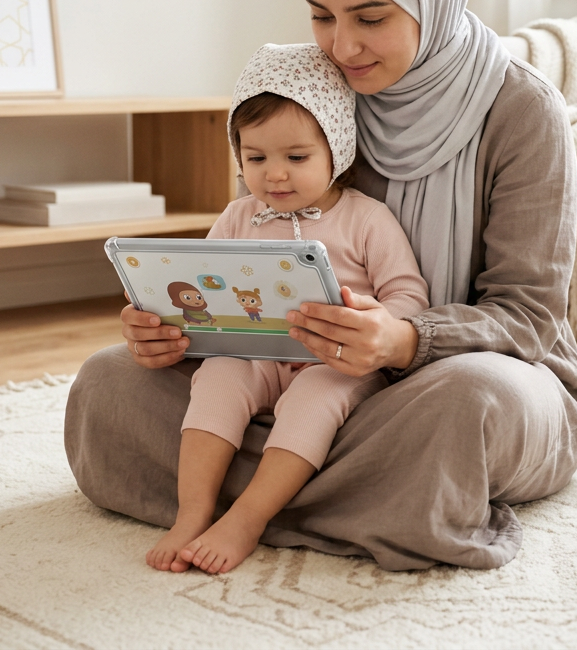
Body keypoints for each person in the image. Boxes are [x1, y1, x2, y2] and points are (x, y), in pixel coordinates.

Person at [65, 0, 577, 571]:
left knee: (468, 408)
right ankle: (371, 499)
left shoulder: (523, 112)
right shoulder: (320, 94)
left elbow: (528, 318)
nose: (343, 47)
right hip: (301, 374)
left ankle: (260, 497)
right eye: (322, 16)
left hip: (449, 379)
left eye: (371, 18)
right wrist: (175, 328)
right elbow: (255, 247)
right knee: (107, 384)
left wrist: (404, 340)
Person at [146, 43, 429, 574]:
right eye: (255, 159)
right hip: (256, 354)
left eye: (296, 158)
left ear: (336, 149)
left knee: (315, 398)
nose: (274, 175)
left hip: (335, 363)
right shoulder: (237, 216)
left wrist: (373, 320)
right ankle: (192, 513)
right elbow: (198, 292)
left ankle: (248, 517)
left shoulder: (366, 219)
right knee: (217, 378)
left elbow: (409, 298)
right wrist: (164, 316)